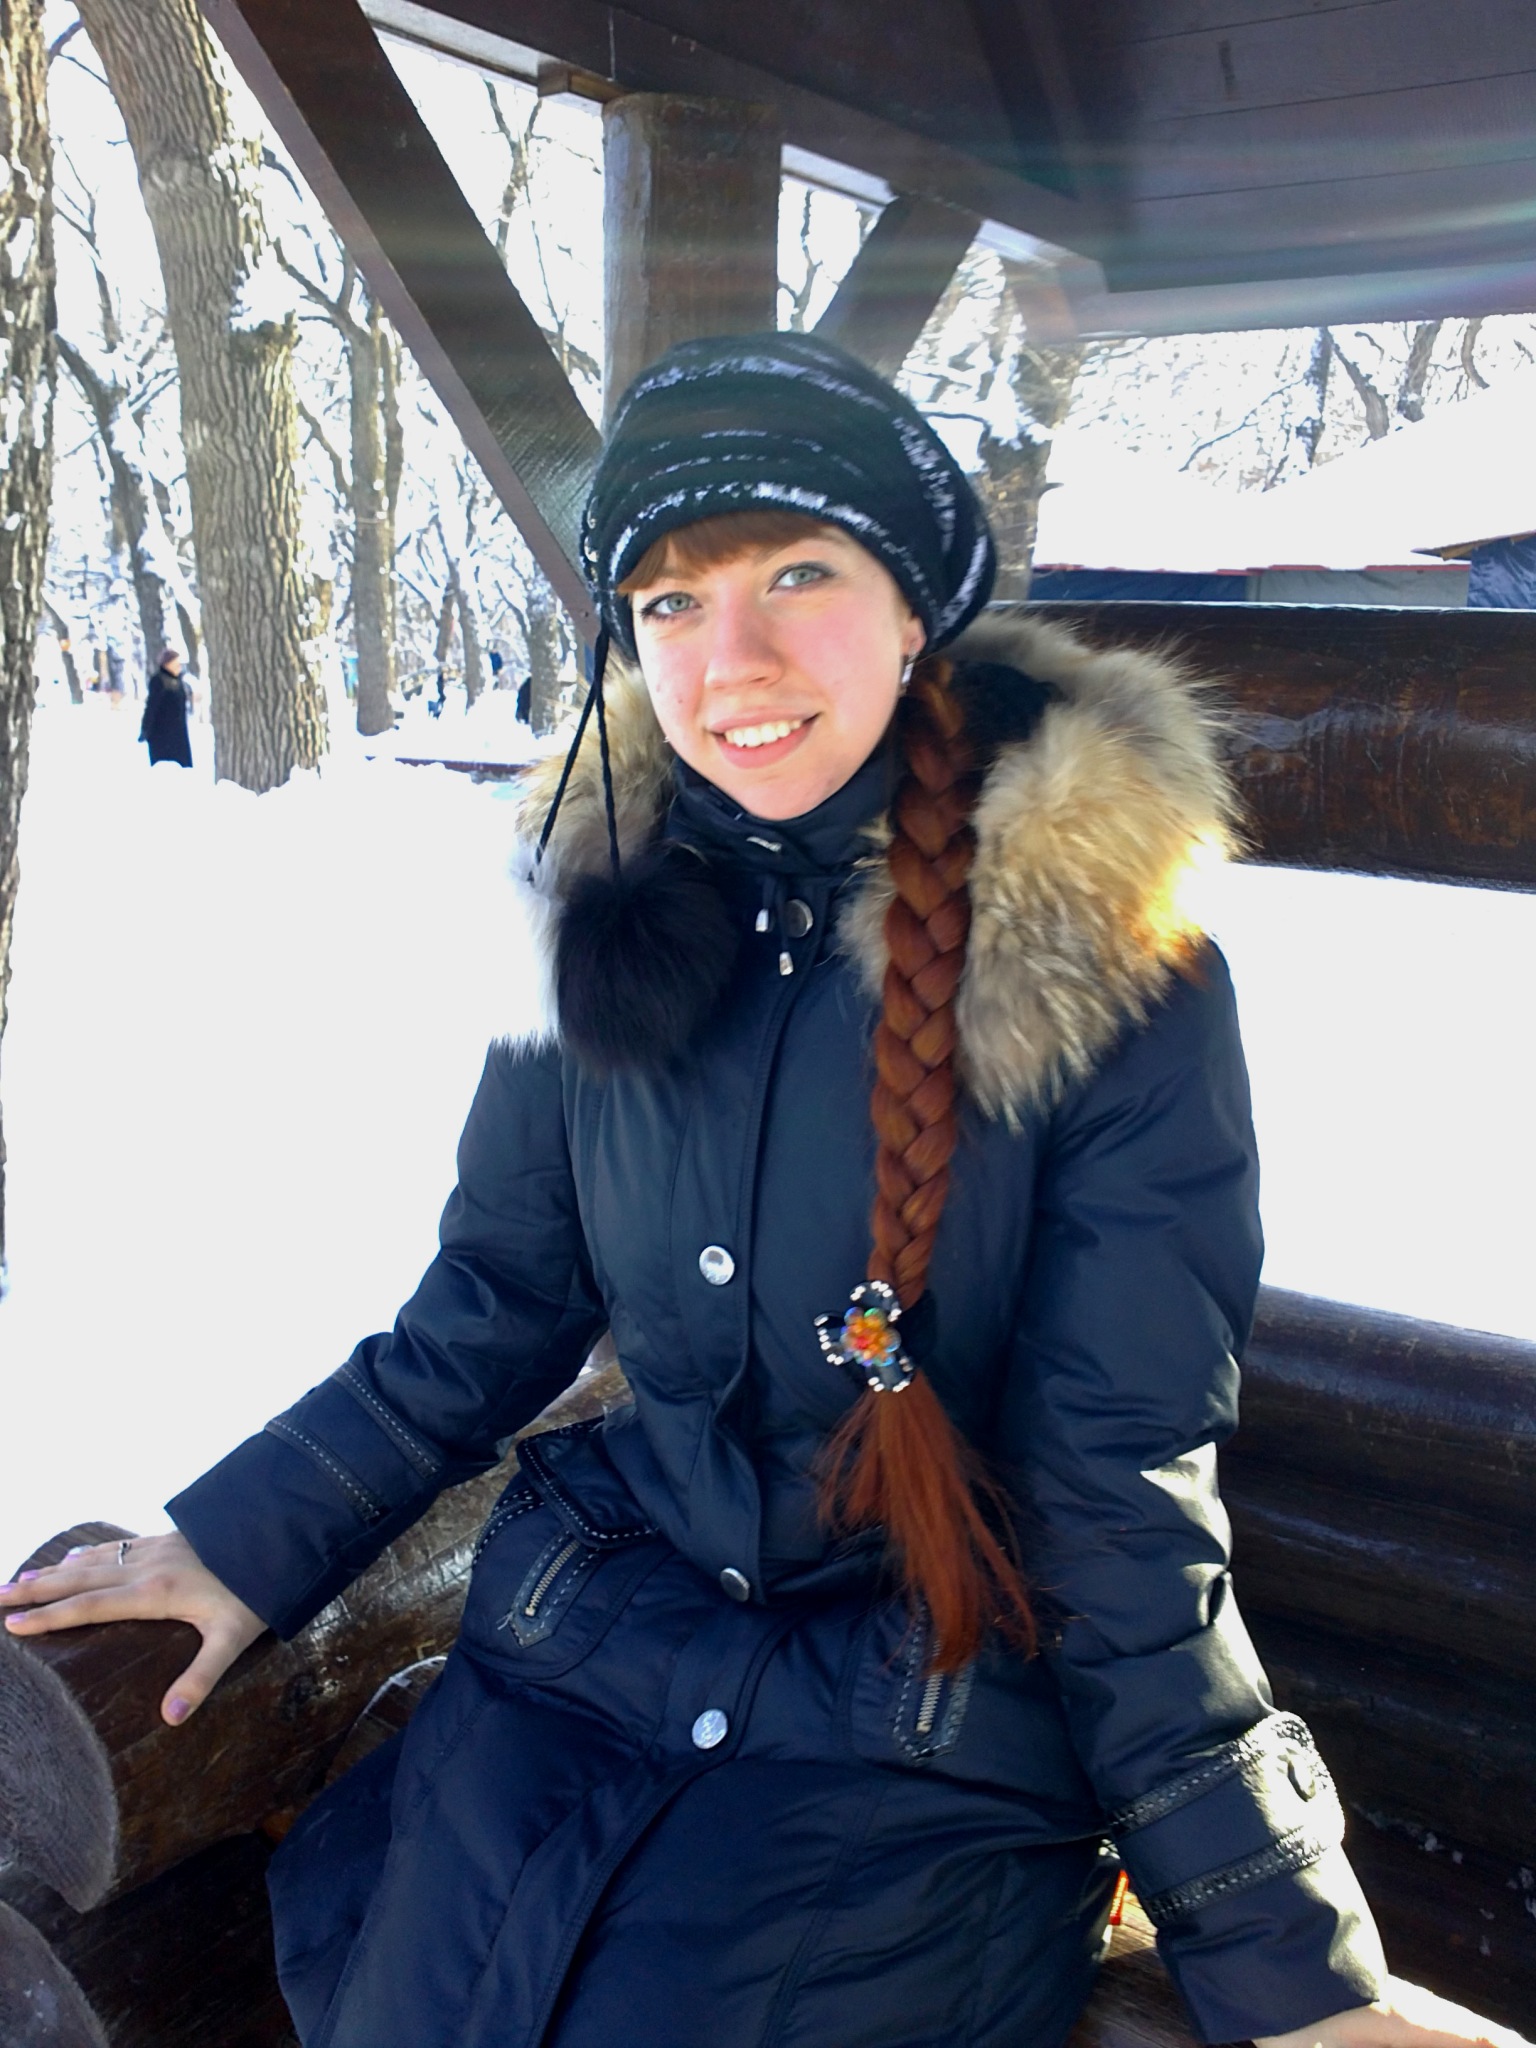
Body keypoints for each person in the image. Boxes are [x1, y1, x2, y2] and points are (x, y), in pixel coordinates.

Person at [2, 335, 1525, 2048]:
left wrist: (1285, 1962)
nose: (730, 659)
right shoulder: (597, 915)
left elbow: (1118, 1492)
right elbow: (494, 1301)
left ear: (912, 605)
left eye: (798, 574)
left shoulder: (1111, 977)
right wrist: (243, 1539)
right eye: (670, 601)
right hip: (568, 1683)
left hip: (916, 1745)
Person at [138, 646, 193, 767]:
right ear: (167, 664)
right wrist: (145, 729)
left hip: (178, 733)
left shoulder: (179, 681)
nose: (179, 666)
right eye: (176, 663)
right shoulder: (158, 680)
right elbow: (151, 706)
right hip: (161, 734)